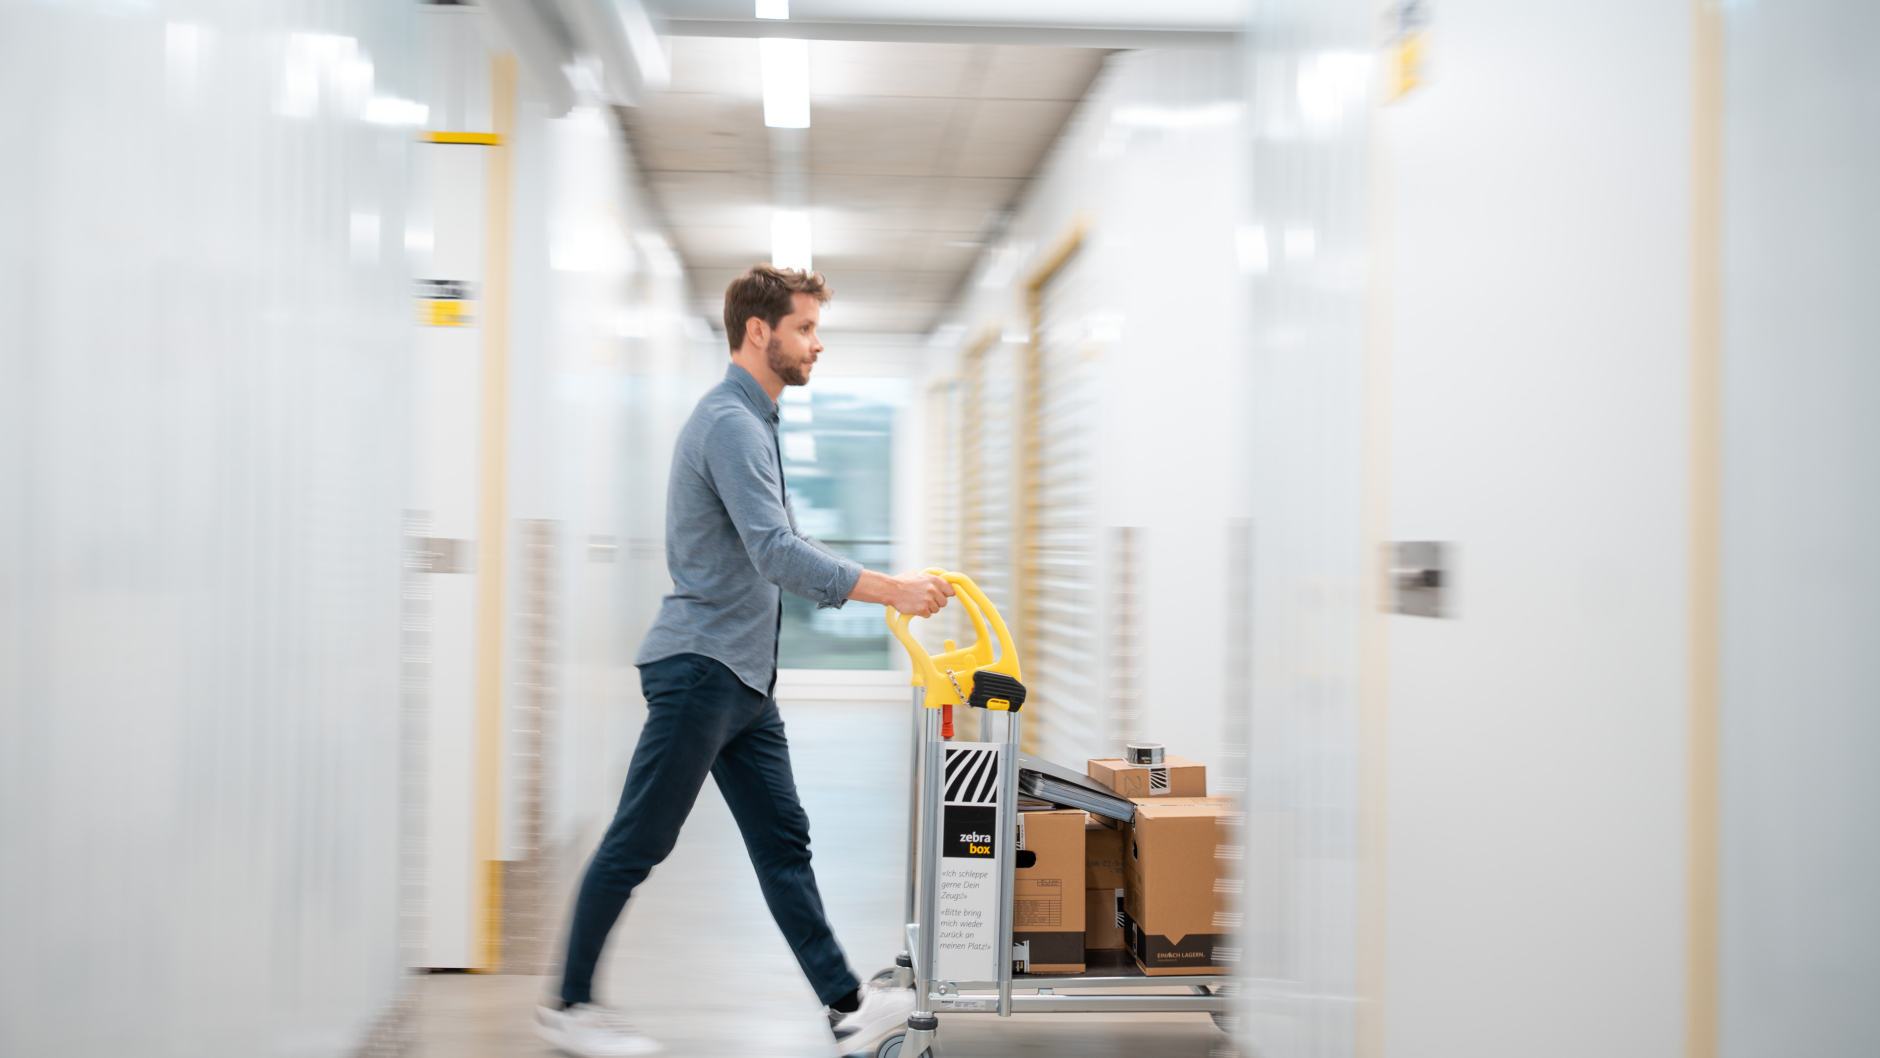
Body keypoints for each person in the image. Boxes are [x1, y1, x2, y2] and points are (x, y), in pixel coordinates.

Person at [536, 264, 952, 1058]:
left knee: (782, 841)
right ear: (759, 333)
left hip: (743, 683)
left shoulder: (754, 421)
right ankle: (568, 1004)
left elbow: (771, 548)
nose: (816, 344)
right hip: (700, 670)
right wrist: (891, 590)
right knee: (639, 840)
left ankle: (846, 1009)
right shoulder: (729, 423)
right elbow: (775, 552)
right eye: (804, 328)